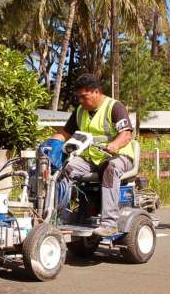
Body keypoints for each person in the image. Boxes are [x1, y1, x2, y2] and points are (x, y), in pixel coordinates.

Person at [43, 74, 135, 237]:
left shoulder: (114, 107)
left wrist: (115, 144)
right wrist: (49, 144)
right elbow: (65, 133)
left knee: (110, 168)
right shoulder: (80, 111)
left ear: (96, 92)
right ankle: (59, 215)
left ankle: (109, 223)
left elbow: (126, 134)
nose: (81, 101)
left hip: (119, 156)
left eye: (84, 97)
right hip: (91, 158)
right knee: (61, 169)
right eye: (78, 97)